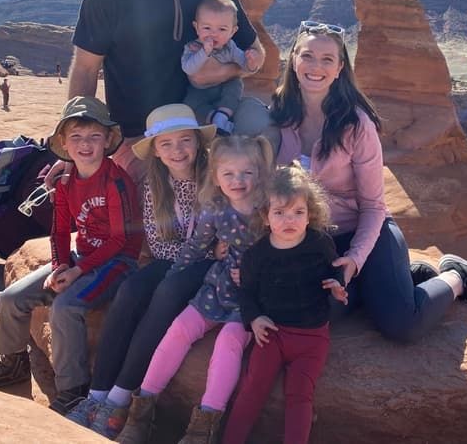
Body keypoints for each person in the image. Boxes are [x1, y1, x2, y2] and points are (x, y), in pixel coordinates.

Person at [268, 21, 467, 344]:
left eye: (327, 59)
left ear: (340, 68)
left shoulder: (356, 124)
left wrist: (355, 259)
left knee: (401, 324)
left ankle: (458, 277)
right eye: (308, 56)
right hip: (315, 242)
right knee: (316, 313)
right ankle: (404, 278)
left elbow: (373, 207)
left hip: (367, 232)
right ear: (293, 59)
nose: (316, 67)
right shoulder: (277, 115)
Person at [67, 0, 269, 184]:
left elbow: (256, 53)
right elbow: (85, 69)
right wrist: (74, 148)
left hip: (200, 133)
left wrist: (223, 72)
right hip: (136, 139)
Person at [0, 96, 142, 414]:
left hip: (118, 262)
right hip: (81, 256)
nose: (85, 144)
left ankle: (73, 389)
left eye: (94, 136)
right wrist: (61, 265)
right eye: (76, 136)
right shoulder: (65, 181)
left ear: (107, 140)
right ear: (64, 141)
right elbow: (60, 231)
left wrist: (76, 271)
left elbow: (120, 240)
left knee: (66, 306)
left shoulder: (116, 182)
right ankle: (13, 363)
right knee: (12, 298)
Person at [65, 104, 216, 434]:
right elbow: (158, 243)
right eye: (166, 143)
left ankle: (118, 401)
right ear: (156, 151)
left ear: (197, 142)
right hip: (172, 259)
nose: (177, 150)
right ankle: (96, 396)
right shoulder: (153, 185)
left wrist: (190, 256)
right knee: (131, 289)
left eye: (185, 140)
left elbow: (218, 241)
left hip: (207, 265)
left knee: (168, 291)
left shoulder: (214, 178)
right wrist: (185, 255)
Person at [115, 135, 275, 444]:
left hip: (252, 298)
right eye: (228, 173)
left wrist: (259, 276)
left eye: (247, 173)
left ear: (260, 173)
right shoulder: (215, 209)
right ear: (215, 176)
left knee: (228, 342)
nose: (238, 181)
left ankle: (203, 427)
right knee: (179, 330)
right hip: (218, 287)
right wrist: (173, 276)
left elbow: (286, 251)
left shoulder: (268, 210)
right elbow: (195, 247)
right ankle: (141, 411)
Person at [223, 165, 347, 444]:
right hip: (272, 333)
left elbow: (334, 270)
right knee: (253, 388)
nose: (289, 220)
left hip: (312, 337)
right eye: (279, 212)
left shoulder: (320, 243)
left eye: (298, 212)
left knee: (300, 395)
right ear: (265, 216)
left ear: (309, 214)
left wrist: (338, 286)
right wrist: (254, 319)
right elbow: (246, 292)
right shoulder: (256, 255)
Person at [182, 0, 262, 134]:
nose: (213, 34)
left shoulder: (230, 47)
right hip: (200, 90)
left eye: (222, 29)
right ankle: (214, 117)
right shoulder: (192, 47)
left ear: (232, 31)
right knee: (190, 103)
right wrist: (204, 52)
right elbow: (188, 69)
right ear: (196, 27)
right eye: (207, 28)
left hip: (224, 85)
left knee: (235, 85)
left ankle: (223, 114)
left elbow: (244, 65)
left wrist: (251, 62)